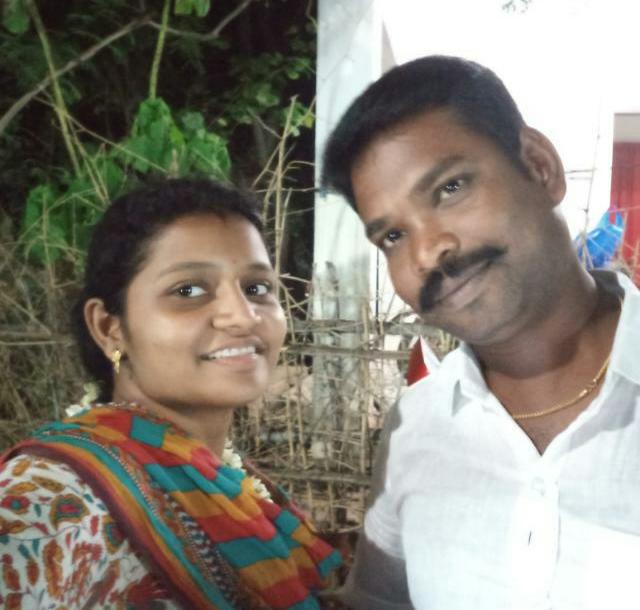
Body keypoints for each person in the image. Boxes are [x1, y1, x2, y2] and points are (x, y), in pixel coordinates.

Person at [321, 55, 640, 609]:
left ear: (539, 166)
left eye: (450, 188)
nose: (427, 252)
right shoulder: (416, 428)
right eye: (392, 236)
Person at [0, 179, 342, 609]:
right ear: (109, 328)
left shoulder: (234, 485)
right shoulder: (46, 500)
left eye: (257, 288)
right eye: (188, 291)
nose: (242, 317)